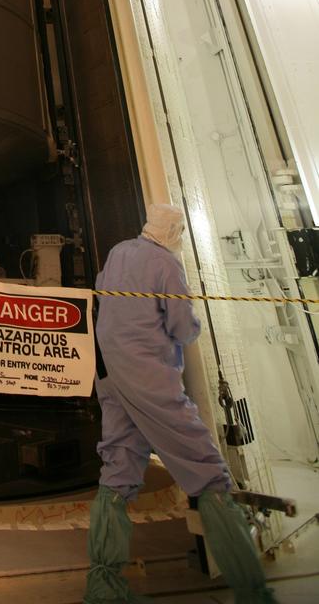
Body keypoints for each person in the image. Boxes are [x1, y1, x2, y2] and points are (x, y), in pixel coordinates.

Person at [86, 203, 277, 604]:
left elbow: (105, 300)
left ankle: (104, 589)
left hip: (115, 376)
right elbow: (180, 327)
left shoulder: (120, 251)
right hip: (152, 380)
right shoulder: (167, 264)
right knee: (208, 473)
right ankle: (252, 592)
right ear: (173, 231)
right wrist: (195, 323)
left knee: (118, 471)